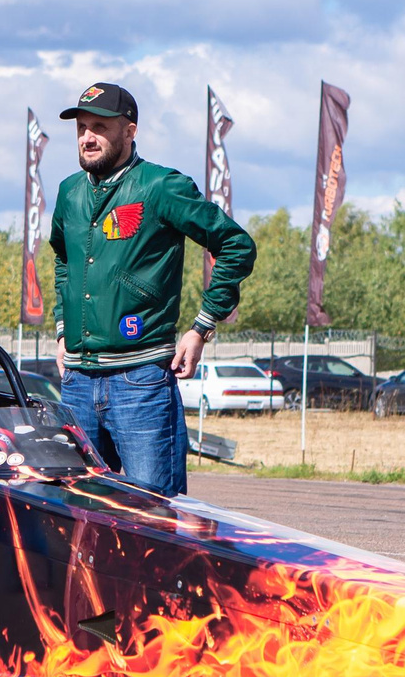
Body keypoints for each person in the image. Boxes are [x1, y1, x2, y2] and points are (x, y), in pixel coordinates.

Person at [47, 81, 255, 496]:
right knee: (78, 516)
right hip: (77, 383)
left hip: (140, 384)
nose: (88, 137)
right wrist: (61, 326)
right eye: (82, 127)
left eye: (100, 127)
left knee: (155, 519)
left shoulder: (161, 186)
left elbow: (235, 245)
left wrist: (201, 327)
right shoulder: (69, 193)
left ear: (130, 130)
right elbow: (64, 259)